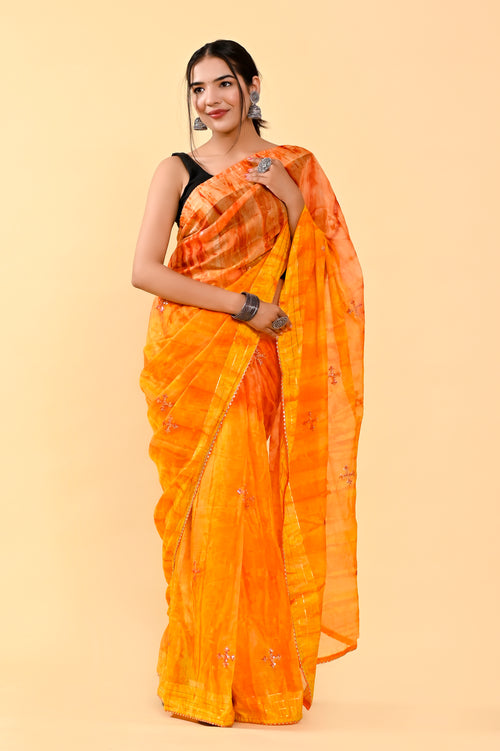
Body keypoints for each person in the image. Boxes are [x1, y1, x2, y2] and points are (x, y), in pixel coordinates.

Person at [132, 39, 364, 727]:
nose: (210, 100)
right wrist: (242, 306)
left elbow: (321, 265)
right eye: (198, 88)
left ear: (251, 87)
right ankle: (199, 677)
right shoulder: (177, 171)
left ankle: (254, 683)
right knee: (206, 508)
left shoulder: (293, 167)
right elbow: (146, 270)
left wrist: (289, 199)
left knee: (246, 500)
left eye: (224, 84)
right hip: (192, 355)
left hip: (255, 360)